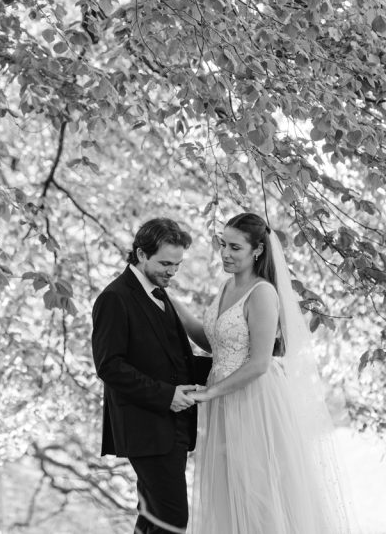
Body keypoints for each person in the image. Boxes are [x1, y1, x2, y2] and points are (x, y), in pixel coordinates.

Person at [174, 212, 353, 533]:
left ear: (257, 250)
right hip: (223, 400)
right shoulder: (227, 286)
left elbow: (259, 363)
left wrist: (208, 392)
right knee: (228, 488)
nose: (225, 254)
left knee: (256, 487)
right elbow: (214, 340)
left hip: (254, 399)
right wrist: (170, 303)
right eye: (222, 245)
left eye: (235, 247)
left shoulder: (262, 293)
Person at [92, 218, 213, 534]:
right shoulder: (115, 298)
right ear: (141, 254)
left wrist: (232, 366)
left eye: (177, 264)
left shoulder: (159, 293)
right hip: (145, 428)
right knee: (172, 521)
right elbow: (109, 366)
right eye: (165, 263)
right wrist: (166, 396)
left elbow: (176, 362)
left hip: (172, 429)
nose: (172, 271)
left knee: (153, 520)